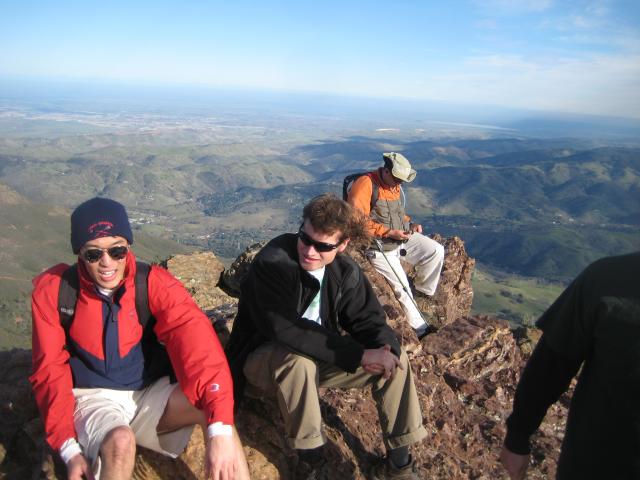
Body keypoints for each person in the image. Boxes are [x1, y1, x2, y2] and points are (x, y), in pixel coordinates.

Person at [30, 197, 249, 480]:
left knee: (218, 418)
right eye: (94, 254)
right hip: (93, 397)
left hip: (148, 393)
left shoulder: (152, 283)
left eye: (117, 250)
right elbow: (49, 370)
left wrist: (219, 426)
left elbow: (198, 345)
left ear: (128, 246)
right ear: (79, 254)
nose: (107, 262)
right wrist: (68, 449)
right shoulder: (56, 292)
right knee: (120, 443)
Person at [225, 193, 427, 480]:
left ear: (342, 245)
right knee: (298, 361)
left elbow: (369, 320)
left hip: (318, 361)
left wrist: (385, 348)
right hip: (262, 364)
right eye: (305, 238)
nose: (309, 251)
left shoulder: (345, 272)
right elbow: (286, 328)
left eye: (323, 246)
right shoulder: (274, 262)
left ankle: (399, 465)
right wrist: (358, 355)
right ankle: (314, 463)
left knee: (397, 359)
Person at [500, 252, 640, 479]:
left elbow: (549, 366)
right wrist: (518, 436)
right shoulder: (605, 280)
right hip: (596, 464)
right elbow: (550, 366)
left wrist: (518, 436)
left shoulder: (606, 278)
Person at [347, 152, 444, 339]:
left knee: (435, 251)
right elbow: (356, 222)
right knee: (402, 287)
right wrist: (388, 232)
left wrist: (410, 225)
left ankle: (424, 294)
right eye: (397, 179)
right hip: (377, 246)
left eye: (403, 181)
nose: (400, 184)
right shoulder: (366, 184)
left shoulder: (395, 187)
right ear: (385, 170)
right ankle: (421, 329)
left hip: (399, 236)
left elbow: (398, 214)